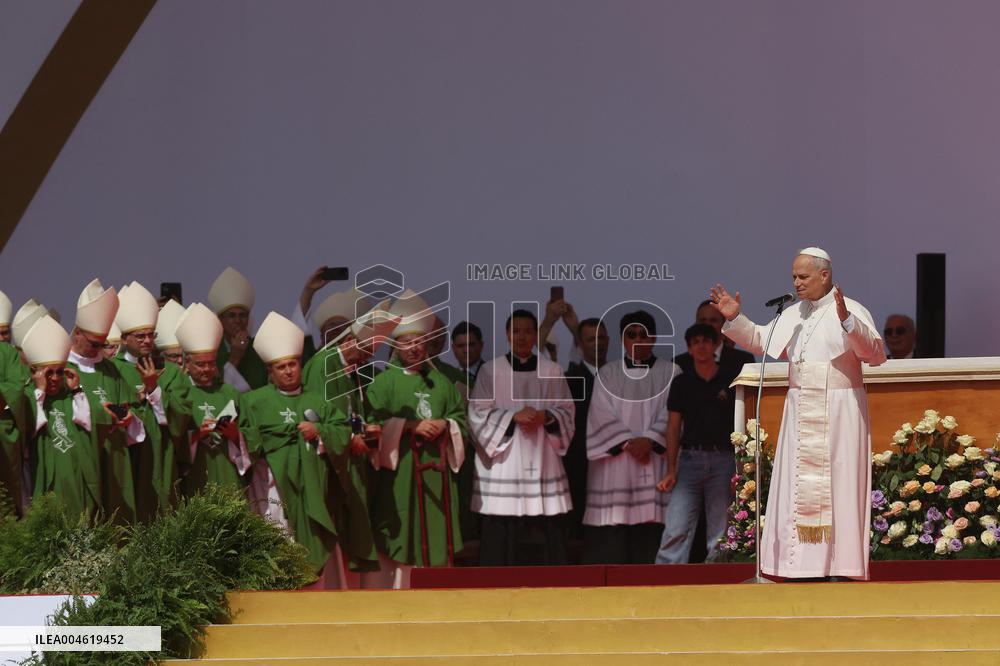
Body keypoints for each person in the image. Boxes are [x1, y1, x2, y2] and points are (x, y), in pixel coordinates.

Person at [710, 246, 886, 580]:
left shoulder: (851, 309)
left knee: (839, 486)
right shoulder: (795, 312)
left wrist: (848, 322)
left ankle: (840, 566)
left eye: (803, 276)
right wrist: (734, 318)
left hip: (840, 411)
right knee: (795, 485)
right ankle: (798, 566)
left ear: (825, 275)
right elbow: (763, 340)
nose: (797, 282)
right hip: (801, 410)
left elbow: (874, 353)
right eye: (793, 276)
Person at [365, 292, 466, 587]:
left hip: (435, 474)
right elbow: (374, 423)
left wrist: (446, 425)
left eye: (419, 341)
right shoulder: (384, 382)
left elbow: (460, 418)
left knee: (435, 533)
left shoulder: (442, 383)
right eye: (407, 342)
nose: (414, 347)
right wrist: (410, 426)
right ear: (396, 345)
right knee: (402, 530)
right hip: (402, 476)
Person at [468, 309, 575, 566]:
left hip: (543, 460)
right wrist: (512, 417)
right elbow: (477, 414)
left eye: (528, 331)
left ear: (536, 335)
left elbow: (567, 409)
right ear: (507, 334)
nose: (522, 337)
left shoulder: (552, 370)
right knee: (502, 535)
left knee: (547, 530)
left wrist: (546, 416)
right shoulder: (490, 371)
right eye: (516, 331)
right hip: (505, 463)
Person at [301, 291, 395, 577]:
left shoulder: (352, 368)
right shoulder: (323, 365)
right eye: (365, 351)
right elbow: (314, 417)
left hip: (350, 459)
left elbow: (351, 412)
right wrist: (346, 438)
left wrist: (366, 429)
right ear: (350, 341)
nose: (367, 358)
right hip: (329, 463)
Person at [239, 311, 341, 573]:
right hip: (270, 485)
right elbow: (246, 439)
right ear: (270, 371)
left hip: (311, 488)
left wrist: (318, 429)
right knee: (275, 539)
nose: (288, 371)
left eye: (293, 364)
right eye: (281, 366)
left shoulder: (318, 400)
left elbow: (341, 431)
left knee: (308, 543)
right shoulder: (254, 401)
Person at [583, 311, 674, 564]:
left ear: (654, 338)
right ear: (623, 340)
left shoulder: (672, 372)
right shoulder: (607, 373)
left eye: (644, 335)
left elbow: (674, 415)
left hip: (655, 461)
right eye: (631, 335)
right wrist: (628, 442)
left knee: (650, 535)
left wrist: (651, 440)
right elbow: (599, 414)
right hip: (616, 467)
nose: (638, 340)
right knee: (615, 538)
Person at [656, 323, 739, 563]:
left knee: (721, 529)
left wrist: (739, 468)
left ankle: (717, 578)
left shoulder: (730, 379)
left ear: (715, 346)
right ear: (689, 349)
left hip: (723, 458)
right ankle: (664, 579)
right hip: (691, 459)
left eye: (706, 340)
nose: (701, 346)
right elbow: (673, 428)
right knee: (676, 525)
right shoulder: (681, 382)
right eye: (695, 342)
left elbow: (741, 423)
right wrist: (672, 469)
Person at [68, 279, 146, 523]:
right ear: (77, 333)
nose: (98, 350)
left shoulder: (111, 369)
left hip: (115, 457)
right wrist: (98, 414)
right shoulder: (62, 370)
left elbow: (131, 410)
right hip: (81, 458)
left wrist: (130, 419)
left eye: (102, 344)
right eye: (94, 344)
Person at [168, 302, 251, 499]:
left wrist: (235, 435)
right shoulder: (180, 394)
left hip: (229, 476)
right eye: (200, 364)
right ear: (187, 363)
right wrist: (196, 436)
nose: (206, 369)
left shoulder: (229, 393)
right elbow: (169, 440)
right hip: (196, 478)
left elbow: (252, 434)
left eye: (211, 363)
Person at [23, 316, 99, 519]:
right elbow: (31, 428)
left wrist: (77, 391)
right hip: (44, 475)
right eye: (48, 373)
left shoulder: (69, 395)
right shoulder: (29, 397)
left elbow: (86, 425)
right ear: (34, 372)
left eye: (59, 372)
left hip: (74, 476)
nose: (55, 379)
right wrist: (39, 391)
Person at [113, 282, 174, 521]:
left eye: (151, 335)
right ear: (124, 338)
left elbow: (179, 413)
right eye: (140, 336)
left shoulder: (169, 370)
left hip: (162, 455)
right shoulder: (113, 371)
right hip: (129, 458)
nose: (147, 340)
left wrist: (153, 389)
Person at [563, 317, 609, 546]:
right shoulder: (570, 379)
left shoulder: (621, 375)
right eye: (591, 339)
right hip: (579, 460)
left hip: (614, 462)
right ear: (580, 344)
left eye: (601, 337)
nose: (597, 343)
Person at [209, 267, 268, 391]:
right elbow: (216, 392)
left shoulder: (260, 348)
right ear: (220, 319)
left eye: (243, 315)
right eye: (231, 315)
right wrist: (235, 358)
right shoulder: (211, 350)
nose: (238, 321)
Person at [673, 300, 755, 375]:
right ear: (696, 324)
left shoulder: (744, 361)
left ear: (724, 325)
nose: (707, 325)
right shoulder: (679, 363)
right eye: (703, 320)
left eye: (713, 320)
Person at [451, 321, 485, 388]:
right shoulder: (448, 377)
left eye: (471, 345)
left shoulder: (493, 375)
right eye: (460, 346)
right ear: (453, 348)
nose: (466, 350)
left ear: (481, 345)